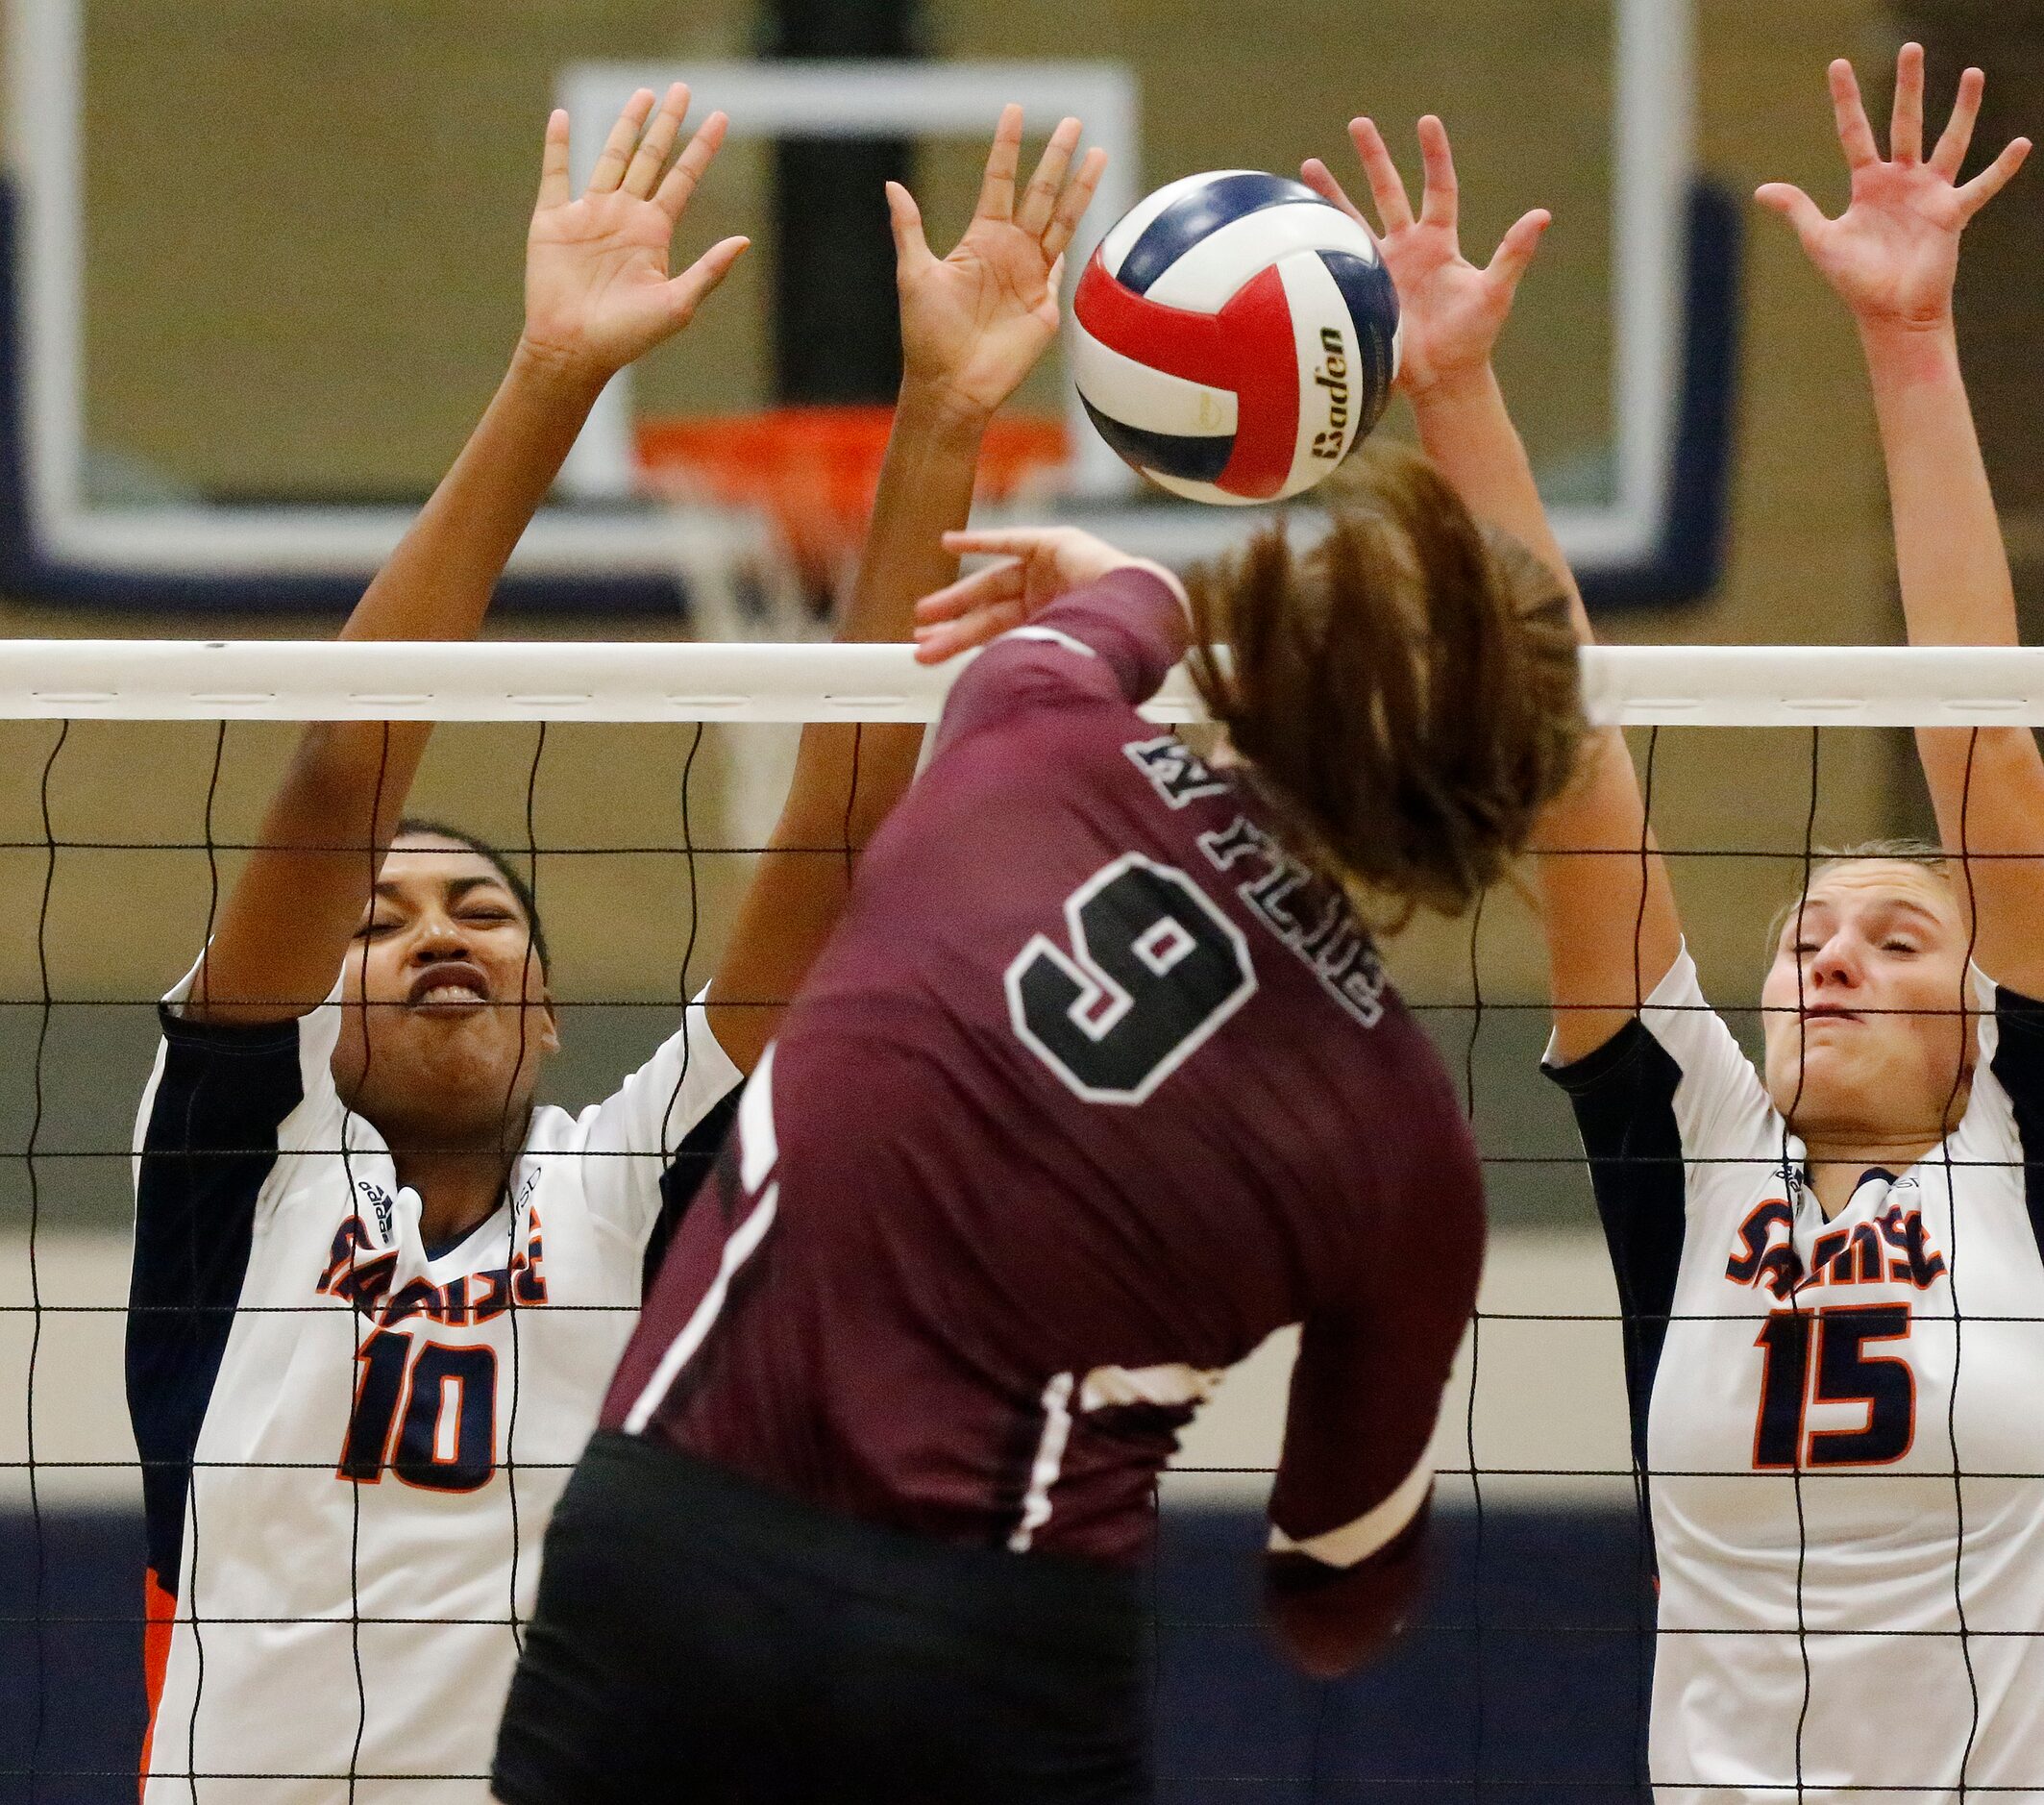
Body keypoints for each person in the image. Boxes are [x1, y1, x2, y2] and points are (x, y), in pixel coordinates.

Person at [488, 253, 1588, 1800]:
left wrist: (1183, 599)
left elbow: (1114, 611)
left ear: (1265, 646)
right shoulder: (1413, 1147)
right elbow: (1335, 1595)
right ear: (1488, 816)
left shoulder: (1029, 735)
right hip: (997, 1648)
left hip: (677, 1544)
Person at [126, 87, 1104, 1803]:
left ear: (551, 1006)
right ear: (307, 1000)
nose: (439, 935)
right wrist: (553, 377)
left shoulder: (627, 1187)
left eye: (483, 912)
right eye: (384, 918)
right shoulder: (242, 1168)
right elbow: (346, 760)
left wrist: (944, 412)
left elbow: (844, 838)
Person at [1311, 51, 2037, 1802]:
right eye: (1807, 937)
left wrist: (1910, 344)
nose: (1833, 957)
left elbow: (1982, 742)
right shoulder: (1692, 1143)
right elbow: (1565, 756)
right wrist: (1463, 394)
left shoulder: (2019, 1144)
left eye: (1896, 938)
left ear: (1986, 1021)